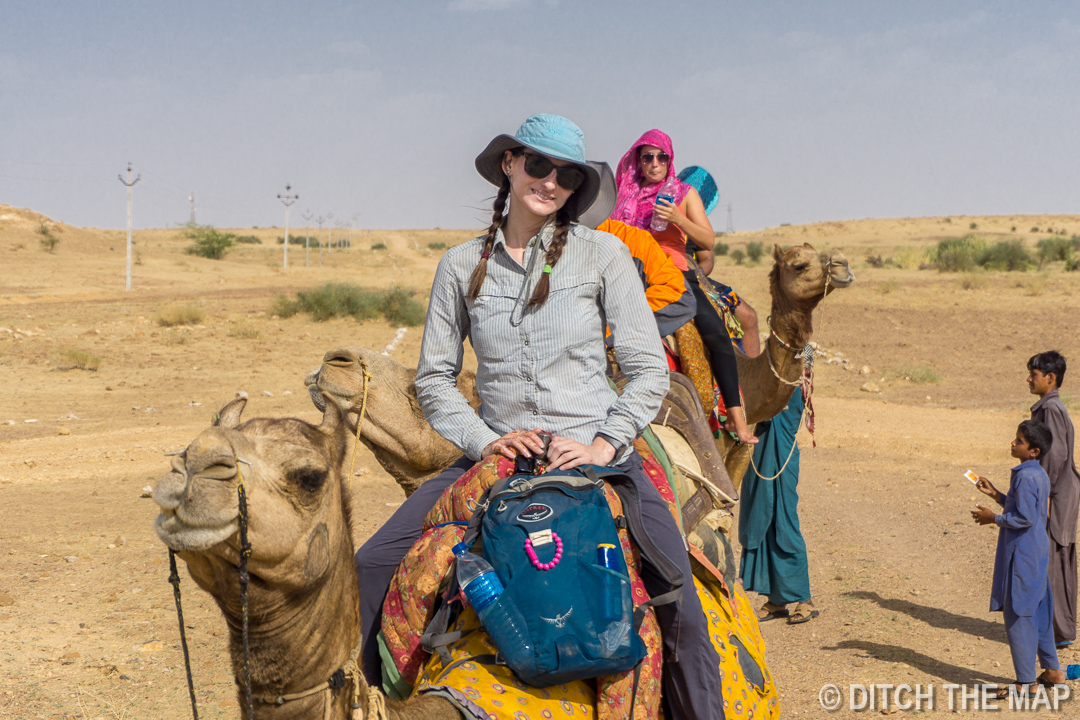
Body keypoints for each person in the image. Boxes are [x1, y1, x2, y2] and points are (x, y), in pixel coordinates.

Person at [357, 115, 725, 720]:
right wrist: (485, 443)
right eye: (538, 165)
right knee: (373, 564)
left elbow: (646, 369)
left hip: (595, 455)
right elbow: (434, 379)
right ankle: (373, 704)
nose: (550, 182)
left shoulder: (603, 253)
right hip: (498, 454)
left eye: (567, 175)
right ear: (509, 164)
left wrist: (605, 445)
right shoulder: (458, 265)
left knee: (677, 596)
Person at [611, 129, 755, 443]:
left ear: (670, 159)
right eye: (647, 157)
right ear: (638, 159)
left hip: (674, 272)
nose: (655, 163)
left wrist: (678, 217)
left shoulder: (684, 193)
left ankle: (736, 418)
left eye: (662, 156)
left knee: (715, 330)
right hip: (628, 272)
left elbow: (707, 240)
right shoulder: (622, 192)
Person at [972, 420, 1065, 697]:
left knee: (1019, 615)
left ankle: (1026, 683)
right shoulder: (1037, 474)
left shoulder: (1025, 477)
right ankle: (1052, 671)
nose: (1013, 443)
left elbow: (1023, 517)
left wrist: (994, 518)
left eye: (1019, 441)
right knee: (1039, 613)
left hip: (1022, 555)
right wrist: (997, 494)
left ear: (1033, 451)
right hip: (1036, 553)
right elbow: (1032, 510)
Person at [738, 382, 818, 623]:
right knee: (762, 521)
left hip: (781, 456)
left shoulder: (790, 383)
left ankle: (805, 599)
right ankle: (776, 601)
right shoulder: (764, 370)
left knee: (784, 524)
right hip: (758, 457)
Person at [1027, 351, 1080, 647]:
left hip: (1057, 493)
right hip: (1061, 490)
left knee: (1054, 559)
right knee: (1057, 558)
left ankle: (1058, 632)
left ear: (1051, 378)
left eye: (1034, 375)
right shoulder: (1050, 407)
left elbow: (1055, 455)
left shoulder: (1051, 410)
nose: (1029, 379)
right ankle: (1058, 629)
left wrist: (1043, 494)